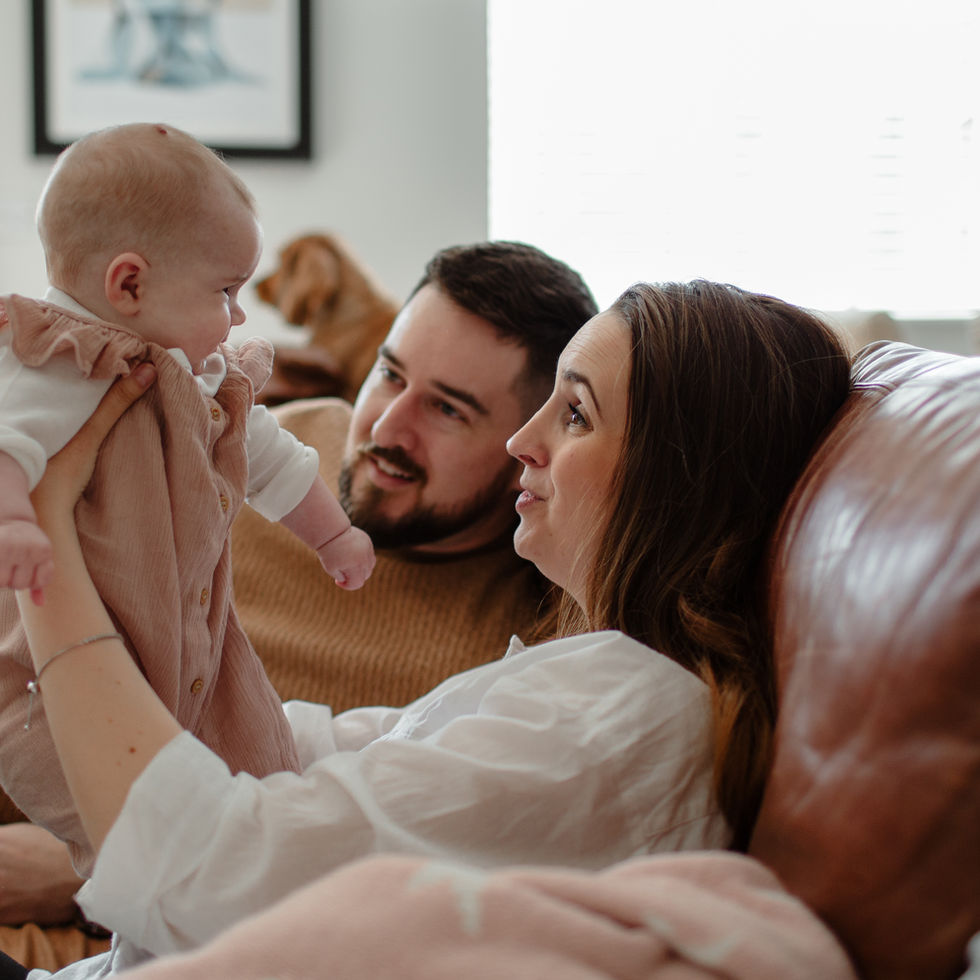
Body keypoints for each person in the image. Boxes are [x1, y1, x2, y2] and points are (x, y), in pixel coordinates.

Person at [14, 279, 851, 979]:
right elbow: (286, 746)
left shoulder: (620, 718)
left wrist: (46, 551)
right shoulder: (585, 680)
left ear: (683, 478)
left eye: (575, 415)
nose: (527, 443)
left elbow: (209, 870)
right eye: (389, 372)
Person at [0, 239, 600, 970]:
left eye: (447, 409)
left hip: (146, 871)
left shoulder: (519, 649)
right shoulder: (261, 444)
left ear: (525, 449)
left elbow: (308, 862)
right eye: (389, 373)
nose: (384, 428)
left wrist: (74, 868)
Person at [0, 122, 376, 878]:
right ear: (129, 285)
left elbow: (267, 455)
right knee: (108, 801)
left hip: (188, 638)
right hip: (51, 655)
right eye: (227, 292)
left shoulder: (197, 376)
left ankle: (224, 885)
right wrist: (15, 519)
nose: (239, 317)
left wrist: (332, 536)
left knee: (256, 756)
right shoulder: (56, 363)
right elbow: (6, 442)